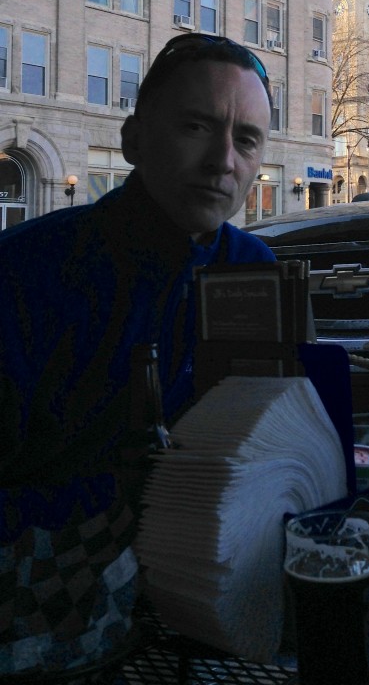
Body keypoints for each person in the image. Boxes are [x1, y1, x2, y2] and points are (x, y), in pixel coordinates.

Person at [0, 33, 276, 676]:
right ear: (131, 142)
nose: (223, 161)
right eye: (195, 126)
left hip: (218, 605)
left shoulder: (253, 271)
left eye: (247, 140)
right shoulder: (25, 273)